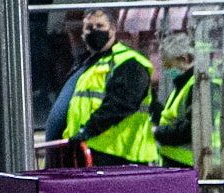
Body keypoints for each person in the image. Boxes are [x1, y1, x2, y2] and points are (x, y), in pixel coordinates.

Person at [45, 8, 159, 166]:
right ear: (83, 34)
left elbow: (120, 105)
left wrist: (87, 131)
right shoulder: (89, 64)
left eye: (100, 26)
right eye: (89, 28)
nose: (94, 31)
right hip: (90, 152)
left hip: (120, 156)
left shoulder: (129, 62)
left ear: (113, 29)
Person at [153, 34, 197, 168]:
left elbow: (191, 129)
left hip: (188, 163)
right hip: (176, 162)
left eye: (168, 64)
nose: (166, 69)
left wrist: (157, 132)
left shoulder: (196, 85)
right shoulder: (182, 84)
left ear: (184, 58)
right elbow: (172, 118)